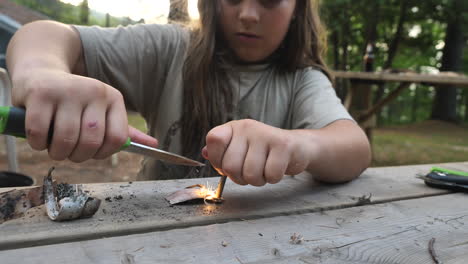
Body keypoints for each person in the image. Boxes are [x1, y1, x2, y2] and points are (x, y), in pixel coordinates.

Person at [6, 0, 371, 186]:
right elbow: (44, 35)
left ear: (297, 10)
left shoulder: (301, 80)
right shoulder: (170, 48)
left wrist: (298, 146)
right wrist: (41, 71)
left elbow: (353, 147)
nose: (247, 13)